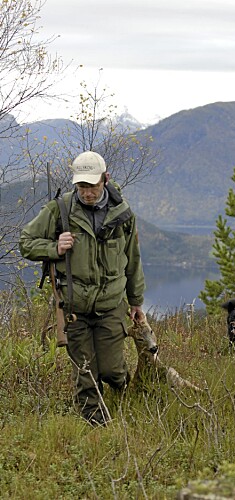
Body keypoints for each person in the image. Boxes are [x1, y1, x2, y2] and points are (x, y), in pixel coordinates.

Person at [20, 151, 146, 426]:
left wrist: (136, 302)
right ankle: (97, 425)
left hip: (111, 304)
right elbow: (26, 242)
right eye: (82, 186)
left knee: (113, 370)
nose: (87, 192)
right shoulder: (60, 210)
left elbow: (133, 259)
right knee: (86, 371)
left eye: (92, 185)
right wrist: (54, 247)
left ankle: (125, 396)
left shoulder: (123, 213)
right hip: (74, 305)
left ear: (106, 179)